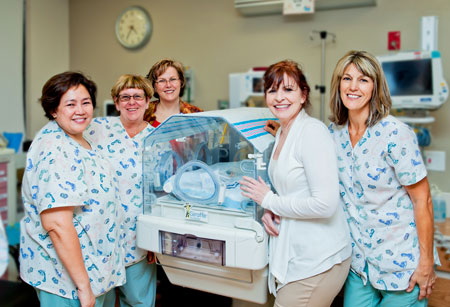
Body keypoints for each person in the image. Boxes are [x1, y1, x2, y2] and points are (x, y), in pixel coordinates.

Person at [328, 50, 438, 306]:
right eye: (347, 78)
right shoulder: (332, 135)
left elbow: (424, 201)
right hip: (360, 267)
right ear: (339, 84)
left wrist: (426, 263)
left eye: (363, 80)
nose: (353, 87)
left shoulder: (395, 134)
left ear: (375, 87)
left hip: (403, 265)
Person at [240, 60, 352, 307]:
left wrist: (269, 200)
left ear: (303, 95)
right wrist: (271, 210)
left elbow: (325, 204)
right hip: (297, 254)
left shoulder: (312, 132)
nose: (279, 97)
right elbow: (293, 190)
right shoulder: (282, 131)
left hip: (320, 260)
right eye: (272, 90)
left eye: (288, 90)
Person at [19, 72, 126, 307]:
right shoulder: (53, 148)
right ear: (54, 110)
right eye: (70, 104)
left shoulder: (82, 139)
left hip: (94, 271)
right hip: (66, 281)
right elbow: (56, 225)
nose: (80, 110)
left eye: (85, 102)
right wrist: (84, 286)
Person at [85, 74, 157, 307]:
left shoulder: (158, 138)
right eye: (124, 97)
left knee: (138, 301)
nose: (131, 102)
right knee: (100, 300)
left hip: (139, 237)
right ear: (116, 103)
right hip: (99, 234)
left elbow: (162, 192)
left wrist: (155, 238)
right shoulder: (96, 129)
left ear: (148, 101)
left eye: (138, 96)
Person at [144, 58, 202, 127]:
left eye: (173, 79)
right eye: (162, 81)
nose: (168, 85)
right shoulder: (143, 113)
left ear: (181, 82)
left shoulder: (196, 114)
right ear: (154, 86)